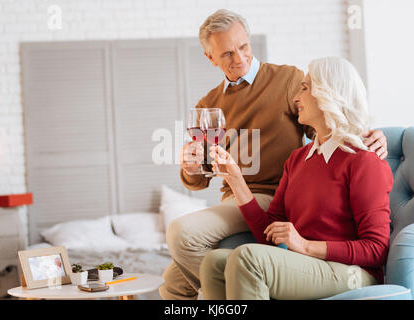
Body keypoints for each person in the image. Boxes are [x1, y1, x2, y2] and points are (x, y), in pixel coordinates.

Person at [159, 9, 388, 300]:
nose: (239, 58)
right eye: (227, 53)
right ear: (210, 57)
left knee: (182, 233)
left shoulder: (288, 79)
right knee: (171, 285)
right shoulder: (210, 104)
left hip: (274, 191)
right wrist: (191, 167)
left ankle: (221, 296)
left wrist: (372, 134)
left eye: (243, 47)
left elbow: (331, 124)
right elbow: (201, 176)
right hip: (237, 197)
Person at [199, 56, 393, 300]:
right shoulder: (298, 160)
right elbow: (270, 235)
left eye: (305, 87)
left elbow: (377, 249)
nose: (296, 97)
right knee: (214, 262)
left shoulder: (363, 161)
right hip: (306, 262)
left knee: (248, 258)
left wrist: (305, 245)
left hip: (354, 273)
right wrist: (236, 180)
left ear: (328, 93)